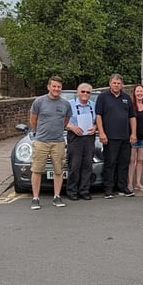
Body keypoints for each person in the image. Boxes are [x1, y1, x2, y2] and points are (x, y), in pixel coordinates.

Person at [29, 76, 72, 210]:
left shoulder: (65, 104)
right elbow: (33, 121)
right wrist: (41, 132)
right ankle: (35, 198)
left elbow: (66, 121)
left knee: (58, 170)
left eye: (59, 87)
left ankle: (57, 196)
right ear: (49, 87)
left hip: (58, 142)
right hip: (41, 141)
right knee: (37, 170)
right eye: (54, 86)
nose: (56, 89)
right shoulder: (39, 102)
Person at [95, 73, 136, 199]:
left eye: (119, 83)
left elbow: (132, 117)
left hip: (125, 137)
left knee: (124, 163)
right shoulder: (103, 97)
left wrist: (133, 133)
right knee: (110, 163)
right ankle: (108, 189)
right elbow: (98, 116)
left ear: (122, 85)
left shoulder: (126, 98)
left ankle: (123, 187)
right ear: (110, 84)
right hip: (110, 137)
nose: (116, 85)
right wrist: (101, 132)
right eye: (114, 83)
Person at [65, 82, 96, 201]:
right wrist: (72, 127)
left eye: (88, 92)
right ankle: (72, 191)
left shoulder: (93, 105)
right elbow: (63, 121)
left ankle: (84, 190)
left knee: (87, 165)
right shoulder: (70, 105)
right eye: (82, 91)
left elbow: (97, 121)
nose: (85, 94)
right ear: (78, 93)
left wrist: (95, 127)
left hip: (89, 137)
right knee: (75, 165)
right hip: (75, 137)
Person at [128, 84, 143, 192]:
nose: (140, 93)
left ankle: (138, 183)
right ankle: (129, 183)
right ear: (134, 93)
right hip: (133, 137)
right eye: (138, 91)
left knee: (140, 160)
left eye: (141, 91)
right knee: (132, 160)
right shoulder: (131, 106)